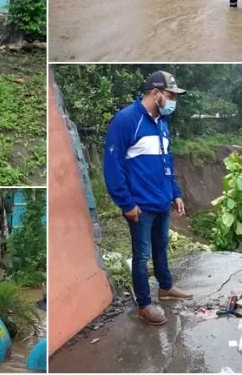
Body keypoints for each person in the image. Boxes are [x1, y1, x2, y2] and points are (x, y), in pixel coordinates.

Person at [102, 71, 193, 326]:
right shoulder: (126, 120)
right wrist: (126, 203)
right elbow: (113, 165)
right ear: (156, 94)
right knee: (141, 256)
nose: (174, 100)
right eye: (171, 95)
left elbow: (166, 162)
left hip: (162, 201)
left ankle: (165, 288)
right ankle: (144, 304)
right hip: (140, 206)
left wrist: (174, 193)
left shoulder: (162, 123)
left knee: (161, 246)